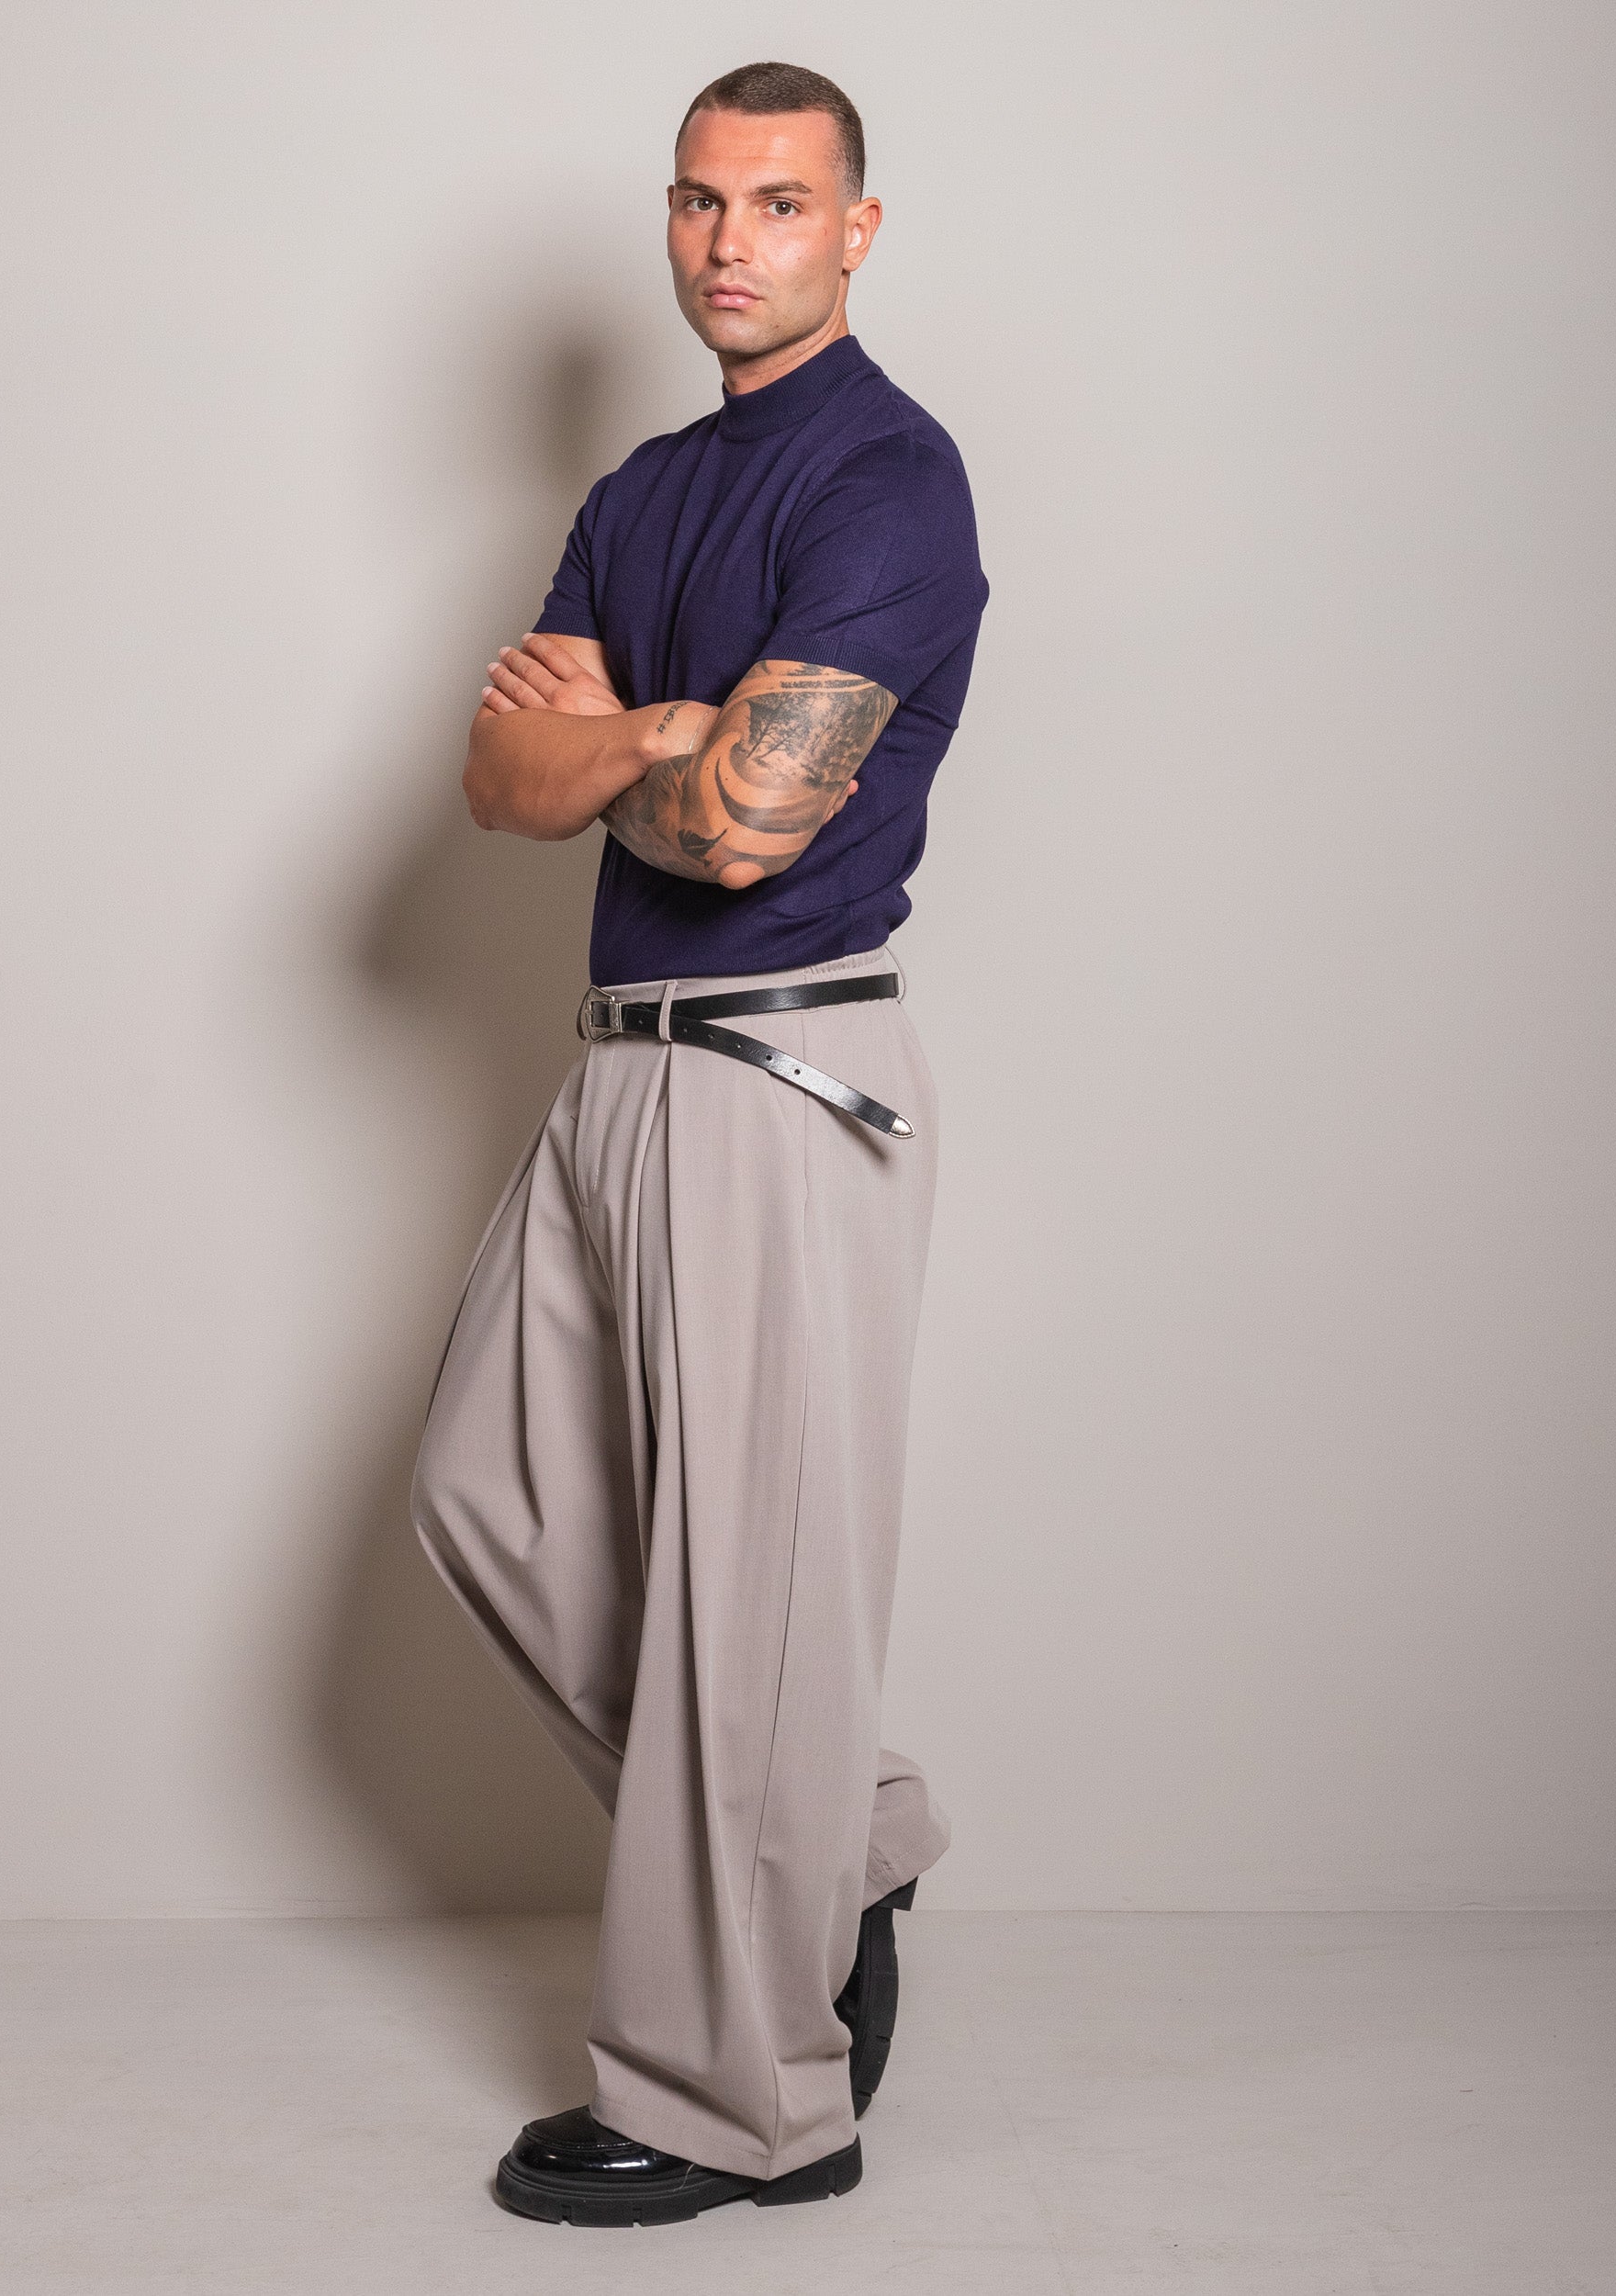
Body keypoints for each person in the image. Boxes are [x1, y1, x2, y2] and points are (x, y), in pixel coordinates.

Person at [409, 59, 988, 2227]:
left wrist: (631, 739)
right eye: (696, 201)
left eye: (777, 201)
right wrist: (651, 729)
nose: (729, 240)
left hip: (782, 1067)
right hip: (618, 1063)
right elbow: (495, 778)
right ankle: (839, 1840)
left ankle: (743, 2100)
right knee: (492, 1499)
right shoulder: (646, 487)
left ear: (854, 228)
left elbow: (747, 825)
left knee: (743, 1597)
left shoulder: (889, 477)